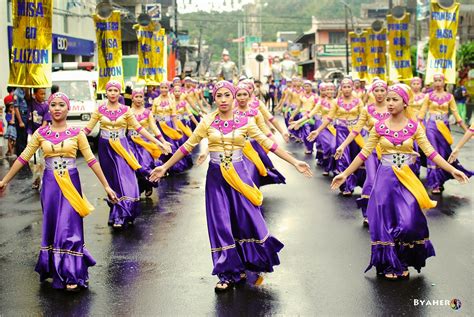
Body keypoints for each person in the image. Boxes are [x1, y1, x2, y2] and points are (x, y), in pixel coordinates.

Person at [149, 81, 312, 292]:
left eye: (228, 95)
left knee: (247, 220)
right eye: (219, 96)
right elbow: (187, 146)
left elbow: (268, 143)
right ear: (214, 98)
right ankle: (227, 273)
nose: (223, 100)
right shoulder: (207, 121)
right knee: (221, 224)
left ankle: (250, 262)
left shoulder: (246, 121)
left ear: (234, 97)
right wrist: (164, 166)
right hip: (216, 178)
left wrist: (294, 161)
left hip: (241, 176)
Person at [331, 84, 469, 280]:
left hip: (406, 178)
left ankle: (404, 258)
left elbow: (431, 153)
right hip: (385, 179)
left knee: (410, 222)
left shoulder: (415, 126)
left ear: (405, 103)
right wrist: (345, 174)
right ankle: (392, 264)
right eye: (388, 99)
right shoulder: (379, 126)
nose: (389, 103)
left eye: (394, 99)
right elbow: (364, 153)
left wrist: (452, 169)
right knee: (385, 223)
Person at [0, 92, 118, 291]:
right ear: (48, 108)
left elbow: (91, 160)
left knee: (68, 226)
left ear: (67, 108)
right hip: (50, 185)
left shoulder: (77, 133)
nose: (56, 108)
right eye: (53, 104)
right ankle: (54, 268)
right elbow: (22, 158)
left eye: (61, 104)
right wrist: (4, 180)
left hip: (71, 184)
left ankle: (71, 272)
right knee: (53, 225)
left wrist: (106, 186)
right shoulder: (40, 134)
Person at [84, 80, 170, 229]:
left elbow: (140, 129)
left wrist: (158, 142)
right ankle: (115, 213)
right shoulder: (99, 109)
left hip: (122, 148)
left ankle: (123, 214)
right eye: (110, 90)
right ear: (106, 92)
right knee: (112, 182)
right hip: (105, 149)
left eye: (115, 90)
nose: (112, 93)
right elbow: (86, 130)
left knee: (124, 179)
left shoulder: (125, 110)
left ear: (120, 93)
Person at [334, 79, 389, 225]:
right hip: (370, 148)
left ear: (387, 91)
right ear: (372, 92)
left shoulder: (393, 108)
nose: (379, 93)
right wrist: (343, 146)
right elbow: (356, 130)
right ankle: (367, 213)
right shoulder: (367, 109)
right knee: (371, 179)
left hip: (390, 150)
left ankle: (388, 212)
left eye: (382, 90)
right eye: (376, 90)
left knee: (388, 182)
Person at [308, 78, 366, 196]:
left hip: (355, 133)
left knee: (355, 158)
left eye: (349, 86)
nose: (347, 89)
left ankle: (355, 182)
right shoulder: (336, 102)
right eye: (344, 87)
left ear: (352, 88)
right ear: (341, 88)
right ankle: (346, 186)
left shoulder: (358, 101)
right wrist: (318, 131)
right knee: (344, 158)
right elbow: (329, 118)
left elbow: (364, 117)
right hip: (341, 132)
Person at [417, 73, 471, 194]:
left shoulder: (450, 97)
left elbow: (456, 114)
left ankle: (440, 181)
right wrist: (416, 128)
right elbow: (422, 113)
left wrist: (467, 130)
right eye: (435, 80)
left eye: (439, 80)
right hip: (431, 127)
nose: (437, 83)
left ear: (444, 82)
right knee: (433, 152)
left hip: (444, 128)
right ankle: (434, 183)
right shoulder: (428, 96)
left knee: (443, 153)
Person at [128, 88, 169, 197]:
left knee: (144, 166)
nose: (138, 99)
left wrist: (162, 141)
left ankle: (148, 185)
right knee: (132, 167)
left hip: (145, 143)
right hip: (130, 143)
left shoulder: (147, 113)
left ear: (143, 98)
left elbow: (154, 128)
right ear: (132, 98)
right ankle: (136, 189)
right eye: (136, 96)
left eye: (140, 96)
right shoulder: (127, 112)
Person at [26, 88, 51, 189]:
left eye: (44, 94)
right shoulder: (30, 102)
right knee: (31, 159)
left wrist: (39, 134)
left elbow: (45, 122)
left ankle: (41, 179)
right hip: (30, 133)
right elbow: (26, 93)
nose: (43, 96)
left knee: (41, 160)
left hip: (41, 135)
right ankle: (36, 177)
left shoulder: (46, 106)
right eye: (41, 94)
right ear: (35, 94)